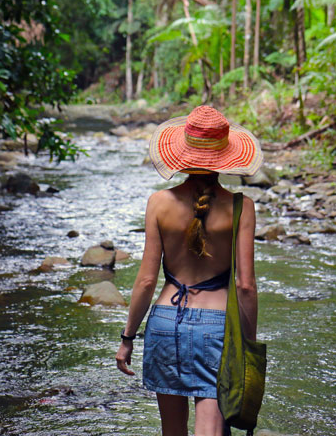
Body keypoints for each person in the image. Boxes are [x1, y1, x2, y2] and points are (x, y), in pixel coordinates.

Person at [115, 105, 263, 436]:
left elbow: (146, 281)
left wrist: (128, 338)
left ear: (182, 153)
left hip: (166, 321)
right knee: (209, 430)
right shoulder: (242, 207)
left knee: (172, 431)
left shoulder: (159, 203)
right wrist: (247, 344)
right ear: (226, 157)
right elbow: (246, 287)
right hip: (216, 327)